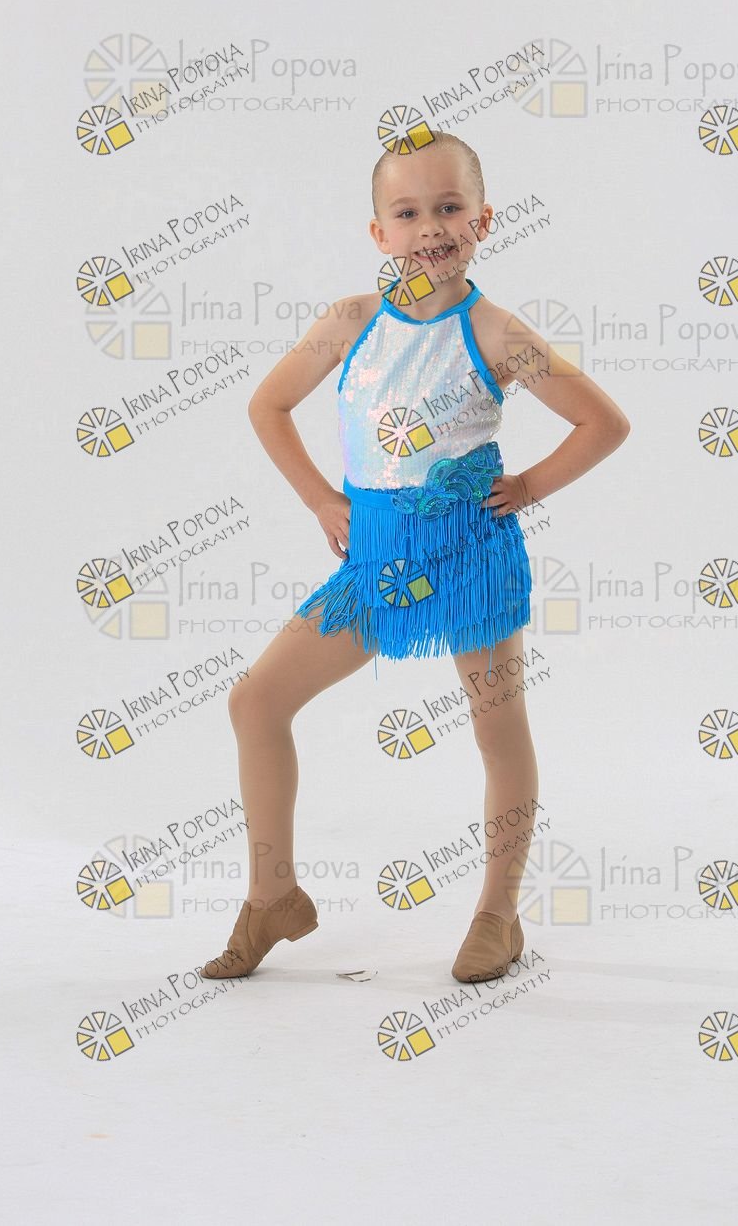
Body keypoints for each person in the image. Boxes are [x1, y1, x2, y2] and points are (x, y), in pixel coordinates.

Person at [199, 131, 631, 986]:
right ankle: (271, 896)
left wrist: (528, 487)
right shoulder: (350, 323)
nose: (429, 227)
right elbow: (266, 407)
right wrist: (322, 500)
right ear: (379, 232)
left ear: (483, 221)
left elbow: (604, 423)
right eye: (407, 212)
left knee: (496, 728)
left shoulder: (496, 333)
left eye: (449, 207)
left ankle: (498, 913)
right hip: (376, 568)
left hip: (470, 562)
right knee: (256, 702)